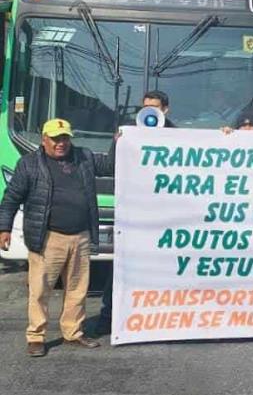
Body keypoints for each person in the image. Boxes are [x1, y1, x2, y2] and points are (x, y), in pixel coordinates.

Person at [0, 119, 113, 357]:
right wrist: (4, 229)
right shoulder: (28, 164)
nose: (61, 143)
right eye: (55, 138)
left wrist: (118, 142)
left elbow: (112, 165)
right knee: (40, 291)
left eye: (65, 138)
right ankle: (36, 336)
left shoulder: (84, 157)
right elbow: (10, 199)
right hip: (48, 238)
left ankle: (73, 332)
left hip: (81, 237)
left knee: (77, 289)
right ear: (44, 140)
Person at [96, 91, 174, 336]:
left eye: (156, 108)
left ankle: (162, 318)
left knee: (164, 268)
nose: (149, 112)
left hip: (165, 214)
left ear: (166, 110)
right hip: (133, 215)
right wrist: (118, 145)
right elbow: (110, 167)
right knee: (123, 266)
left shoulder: (177, 134)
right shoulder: (127, 133)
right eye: (146, 107)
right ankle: (108, 316)